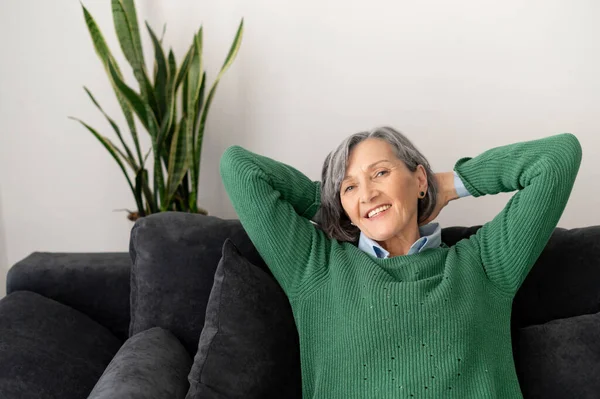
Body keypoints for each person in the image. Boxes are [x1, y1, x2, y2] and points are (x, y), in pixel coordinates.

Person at [219, 127, 581, 398]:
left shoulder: (485, 263)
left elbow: (558, 157)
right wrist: (334, 207)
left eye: (380, 173)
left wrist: (452, 184)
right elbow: (239, 167)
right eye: (350, 186)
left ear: (418, 178)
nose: (368, 193)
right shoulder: (317, 268)